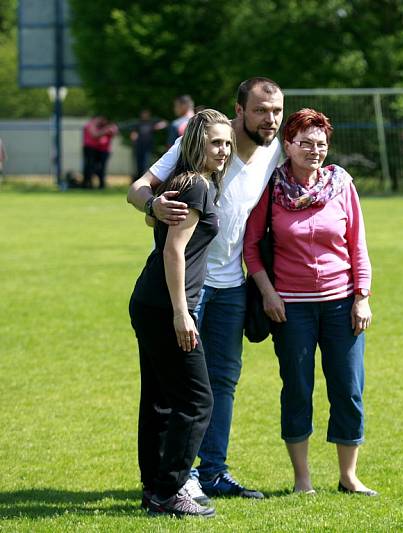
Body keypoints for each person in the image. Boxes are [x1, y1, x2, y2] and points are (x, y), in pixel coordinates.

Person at [127, 78, 284, 502]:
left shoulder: (276, 150)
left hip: (232, 284)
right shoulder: (202, 140)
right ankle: (174, 480)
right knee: (175, 391)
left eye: (276, 111)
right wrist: (151, 205)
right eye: (260, 111)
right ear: (239, 111)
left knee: (222, 382)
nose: (270, 120)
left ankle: (210, 472)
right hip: (188, 287)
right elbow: (139, 187)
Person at [243, 108, 376, 496]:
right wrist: (269, 293)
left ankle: (349, 477)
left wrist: (362, 297)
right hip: (291, 308)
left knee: (348, 388)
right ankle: (303, 481)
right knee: (298, 389)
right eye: (305, 143)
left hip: (341, 305)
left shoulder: (341, 185)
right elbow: (251, 249)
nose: (314, 150)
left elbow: (358, 246)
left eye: (320, 144)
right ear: (288, 145)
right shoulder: (272, 189)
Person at [129, 109, 233, 517]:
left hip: (151, 300)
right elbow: (173, 251)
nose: (223, 150)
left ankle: (154, 488)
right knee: (197, 401)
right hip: (166, 305)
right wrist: (181, 312)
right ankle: (170, 491)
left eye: (227, 143)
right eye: (215, 143)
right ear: (196, 145)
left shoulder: (190, 182)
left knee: (159, 400)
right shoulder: (196, 185)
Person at [130, 109, 167, 183]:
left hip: (148, 147)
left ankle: (144, 180)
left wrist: (157, 126)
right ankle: (138, 180)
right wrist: (133, 136)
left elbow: (165, 123)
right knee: (138, 165)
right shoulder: (138, 123)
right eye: (143, 113)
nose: (144, 115)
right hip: (139, 147)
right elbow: (133, 133)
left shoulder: (152, 122)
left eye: (146, 113)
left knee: (145, 164)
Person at [82, 115, 118, 189]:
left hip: (99, 150)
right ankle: (87, 184)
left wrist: (112, 128)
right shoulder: (91, 125)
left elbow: (114, 133)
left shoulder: (102, 126)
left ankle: (99, 184)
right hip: (90, 149)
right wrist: (106, 130)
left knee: (99, 168)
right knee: (89, 167)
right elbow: (95, 135)